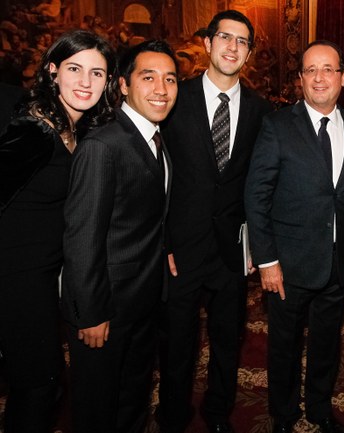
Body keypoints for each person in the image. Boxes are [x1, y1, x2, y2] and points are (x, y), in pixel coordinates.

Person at [244, 40, 344, 433]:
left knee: (326, 344)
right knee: (284, 345)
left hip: (337, 262)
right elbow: (257, 196)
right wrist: (267, 260)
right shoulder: (278, 125)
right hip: (287, 264)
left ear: (342, 78)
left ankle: (319, 409)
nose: (319, 77)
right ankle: (283, 414)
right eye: (310, 70)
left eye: (328, 69)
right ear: (300, 78)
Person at [158, 10, 272, 433]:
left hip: (231, 251)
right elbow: (156, 175)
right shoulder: (173, 97)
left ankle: (218, 412)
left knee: (228, 340)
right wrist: (163, 241)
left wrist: (257, 245)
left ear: (249, 53)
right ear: (207, 43)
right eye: (225, 37)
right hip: (181, 249)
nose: (232, 47)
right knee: (176, 343)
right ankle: (172, 414)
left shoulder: (261, 110)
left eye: (242, 41)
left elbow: (260, 182)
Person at [0, 29, 117, 433]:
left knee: (38, 382)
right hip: (14, 276)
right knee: (40, 384)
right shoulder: (36, 128)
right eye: (74, 69)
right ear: (53, 71)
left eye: (97, 73)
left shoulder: (78, 129)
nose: (85, 81)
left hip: (40, 276)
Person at [61, 39, 177, 433]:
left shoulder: (155, 139)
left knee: (132, 400)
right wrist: (90, 312)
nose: (161, 89)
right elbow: (82, 237)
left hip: (143, 300)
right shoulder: (103, 145)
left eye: (170, 79)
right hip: (105, 310)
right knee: (97, 410)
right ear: (123, 85)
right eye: (149, 77)